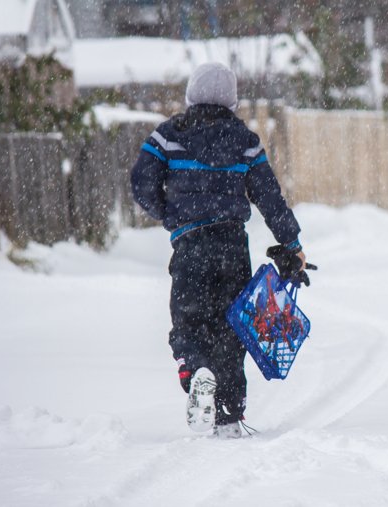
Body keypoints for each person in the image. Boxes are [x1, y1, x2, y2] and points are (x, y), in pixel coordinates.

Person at [130, 62, 313, 439]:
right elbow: (269, 197)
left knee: (188, 321)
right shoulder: (244, 140)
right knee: (232, 327)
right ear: (231, 99)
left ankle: (195, 368)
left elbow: (141, 183)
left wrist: (170, 215)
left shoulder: (168, 136)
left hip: (190, 245)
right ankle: (229, 412)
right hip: (231, 245)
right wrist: (291, 245)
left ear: (191, 94)